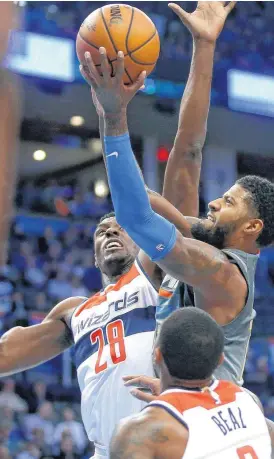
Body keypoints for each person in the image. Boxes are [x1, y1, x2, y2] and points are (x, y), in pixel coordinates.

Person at [1, 4, 234, 458]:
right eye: (99, 231)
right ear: (91, 256)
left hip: (174, 444)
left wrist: (203, 48)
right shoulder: (73, 312)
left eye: (119, 226)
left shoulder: (159, 272)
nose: (109, 231)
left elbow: (187, 154)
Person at [110, 308, 271, 459]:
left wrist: (173, 400)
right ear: (220, 359)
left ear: (157, 355)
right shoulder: (249, 402)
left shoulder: (139, 432)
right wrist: (177, 398)